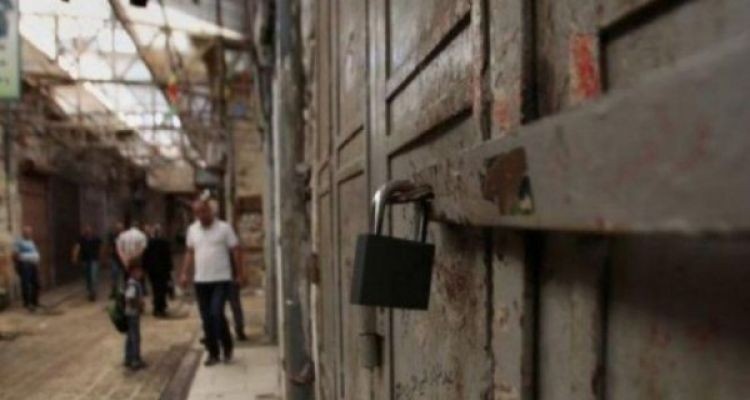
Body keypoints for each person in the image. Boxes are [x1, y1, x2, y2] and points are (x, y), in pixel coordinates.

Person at [180, 198, 245, 366]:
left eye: (203, 211)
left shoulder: (224, 228)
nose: (201, 215)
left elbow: (235, 250)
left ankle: (227, 345)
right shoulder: (192, 230)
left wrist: (240, 273)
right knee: (206, 318)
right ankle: (213, 352)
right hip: (201, 280)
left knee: (216, 313)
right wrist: (184, 273)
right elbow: (189, 252)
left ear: (210, 211)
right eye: (197, 213)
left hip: (221, 279)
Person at [142, 224, 173, 317]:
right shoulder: (165, 242)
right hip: (163, 269)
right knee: (162, 289)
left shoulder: (148, 243)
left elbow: (145, 256)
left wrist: (145, 268)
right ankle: (160, 308)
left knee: (155, 288)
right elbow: (168, 257)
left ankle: (157, 307)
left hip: (152, 270)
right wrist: (170, 269)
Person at [124, 263, 147, 370]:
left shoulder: (133, 283)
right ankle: (135, 359)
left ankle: (128, 358)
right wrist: (140, 304)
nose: (140, 274)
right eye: (138, 271)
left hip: (131, 313)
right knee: (135, 337)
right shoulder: (133, 284)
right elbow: (130, 299)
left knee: (130, 336)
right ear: (132, 272)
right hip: (133, 314)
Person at [13, 226, 40, 311]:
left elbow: (34, 251)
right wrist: (18, 264)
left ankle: (35, 302)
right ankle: (27, 303)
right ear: (23, 233)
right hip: (24, 265)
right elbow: (15, 254)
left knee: (36, 283)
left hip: (33, 264)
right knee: (26, 284)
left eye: (30, 232)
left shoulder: (31, 241)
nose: (29, 234)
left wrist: (36, 259)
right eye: (27, 232)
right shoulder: (19, 241)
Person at [73, 225, 103, 301]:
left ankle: (93, 292)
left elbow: (101, 247)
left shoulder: (96, 238)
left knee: (93, 276)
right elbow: (77, 247)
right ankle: (90, 290)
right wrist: (75, 256)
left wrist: (101, 257)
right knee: (87, 277)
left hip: (94, 260)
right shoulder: (81, 239)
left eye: (89, 231)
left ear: (92, 231)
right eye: (87, 231)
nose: (88, 232)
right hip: (85, 260)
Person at [108, 222, 126, 297]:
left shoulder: (125, 237)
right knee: (114, 273)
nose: (119, 230)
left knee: (122, 275)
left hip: (123, 258)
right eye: (118, 228)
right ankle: (114, 290)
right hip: (114, 258)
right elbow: (110, 246)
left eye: (120, 228)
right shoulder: (113, 236)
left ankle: (121, 291)